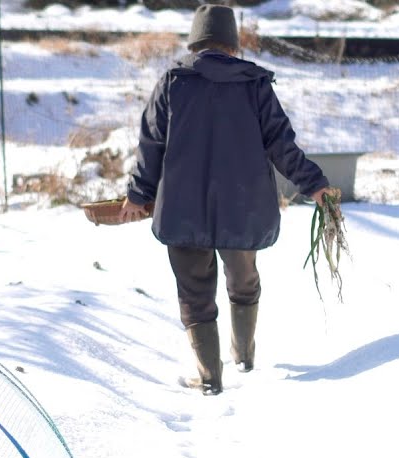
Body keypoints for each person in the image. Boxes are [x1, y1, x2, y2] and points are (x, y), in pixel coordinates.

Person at [120, 3, 338, 396]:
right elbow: (281, 145)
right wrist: (315, 184)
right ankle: (244, 355)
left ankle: (209, 378)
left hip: (184, 209)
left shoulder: (173, 82)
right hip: (243, 207)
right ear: (233, 45)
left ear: (195, 42)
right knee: (244, 280)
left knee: (194, 292)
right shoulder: (254, 85)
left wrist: (138, 194)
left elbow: (150, 144)